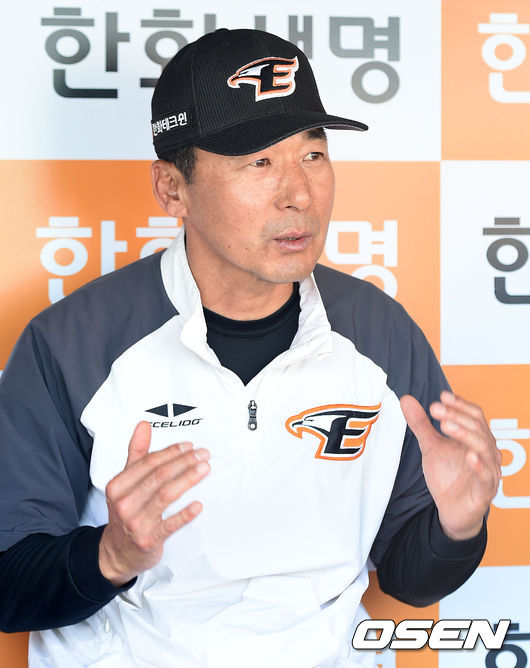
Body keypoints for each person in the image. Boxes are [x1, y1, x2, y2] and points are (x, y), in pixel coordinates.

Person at [0, 28, 500, 667]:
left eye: (313, 155)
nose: (298, 194)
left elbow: (411, 578)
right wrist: (111, 556)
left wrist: (457, 527)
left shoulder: (378, 332)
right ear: (172, 189)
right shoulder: (71, 344)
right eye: (257, 162)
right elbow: (10, 584)